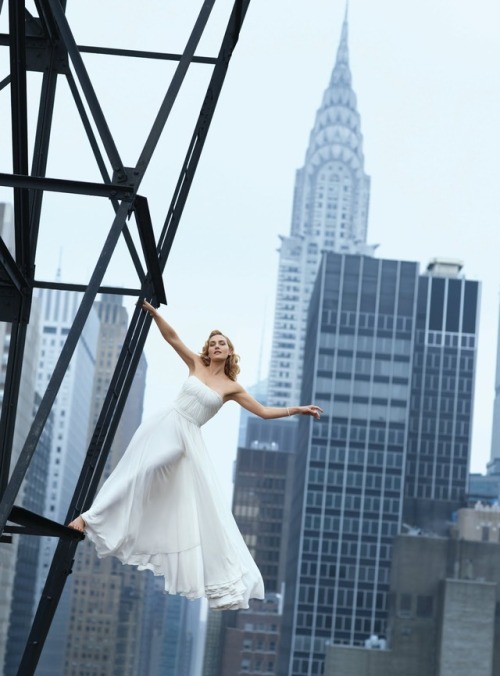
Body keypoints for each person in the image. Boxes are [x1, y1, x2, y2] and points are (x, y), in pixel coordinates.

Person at [68, 300, 322, 610]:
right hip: (164, 422)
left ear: (229, 352)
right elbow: (172, 337)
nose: (216, 346)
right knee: (135, 472)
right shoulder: (196, 364)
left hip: (186, 436)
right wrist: (154, 313)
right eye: (213, 343)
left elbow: (264, 412)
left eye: (222, 344)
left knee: (173, 487)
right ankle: (88, 518)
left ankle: (127, 521)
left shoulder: (232, 387)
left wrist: (298, 409)